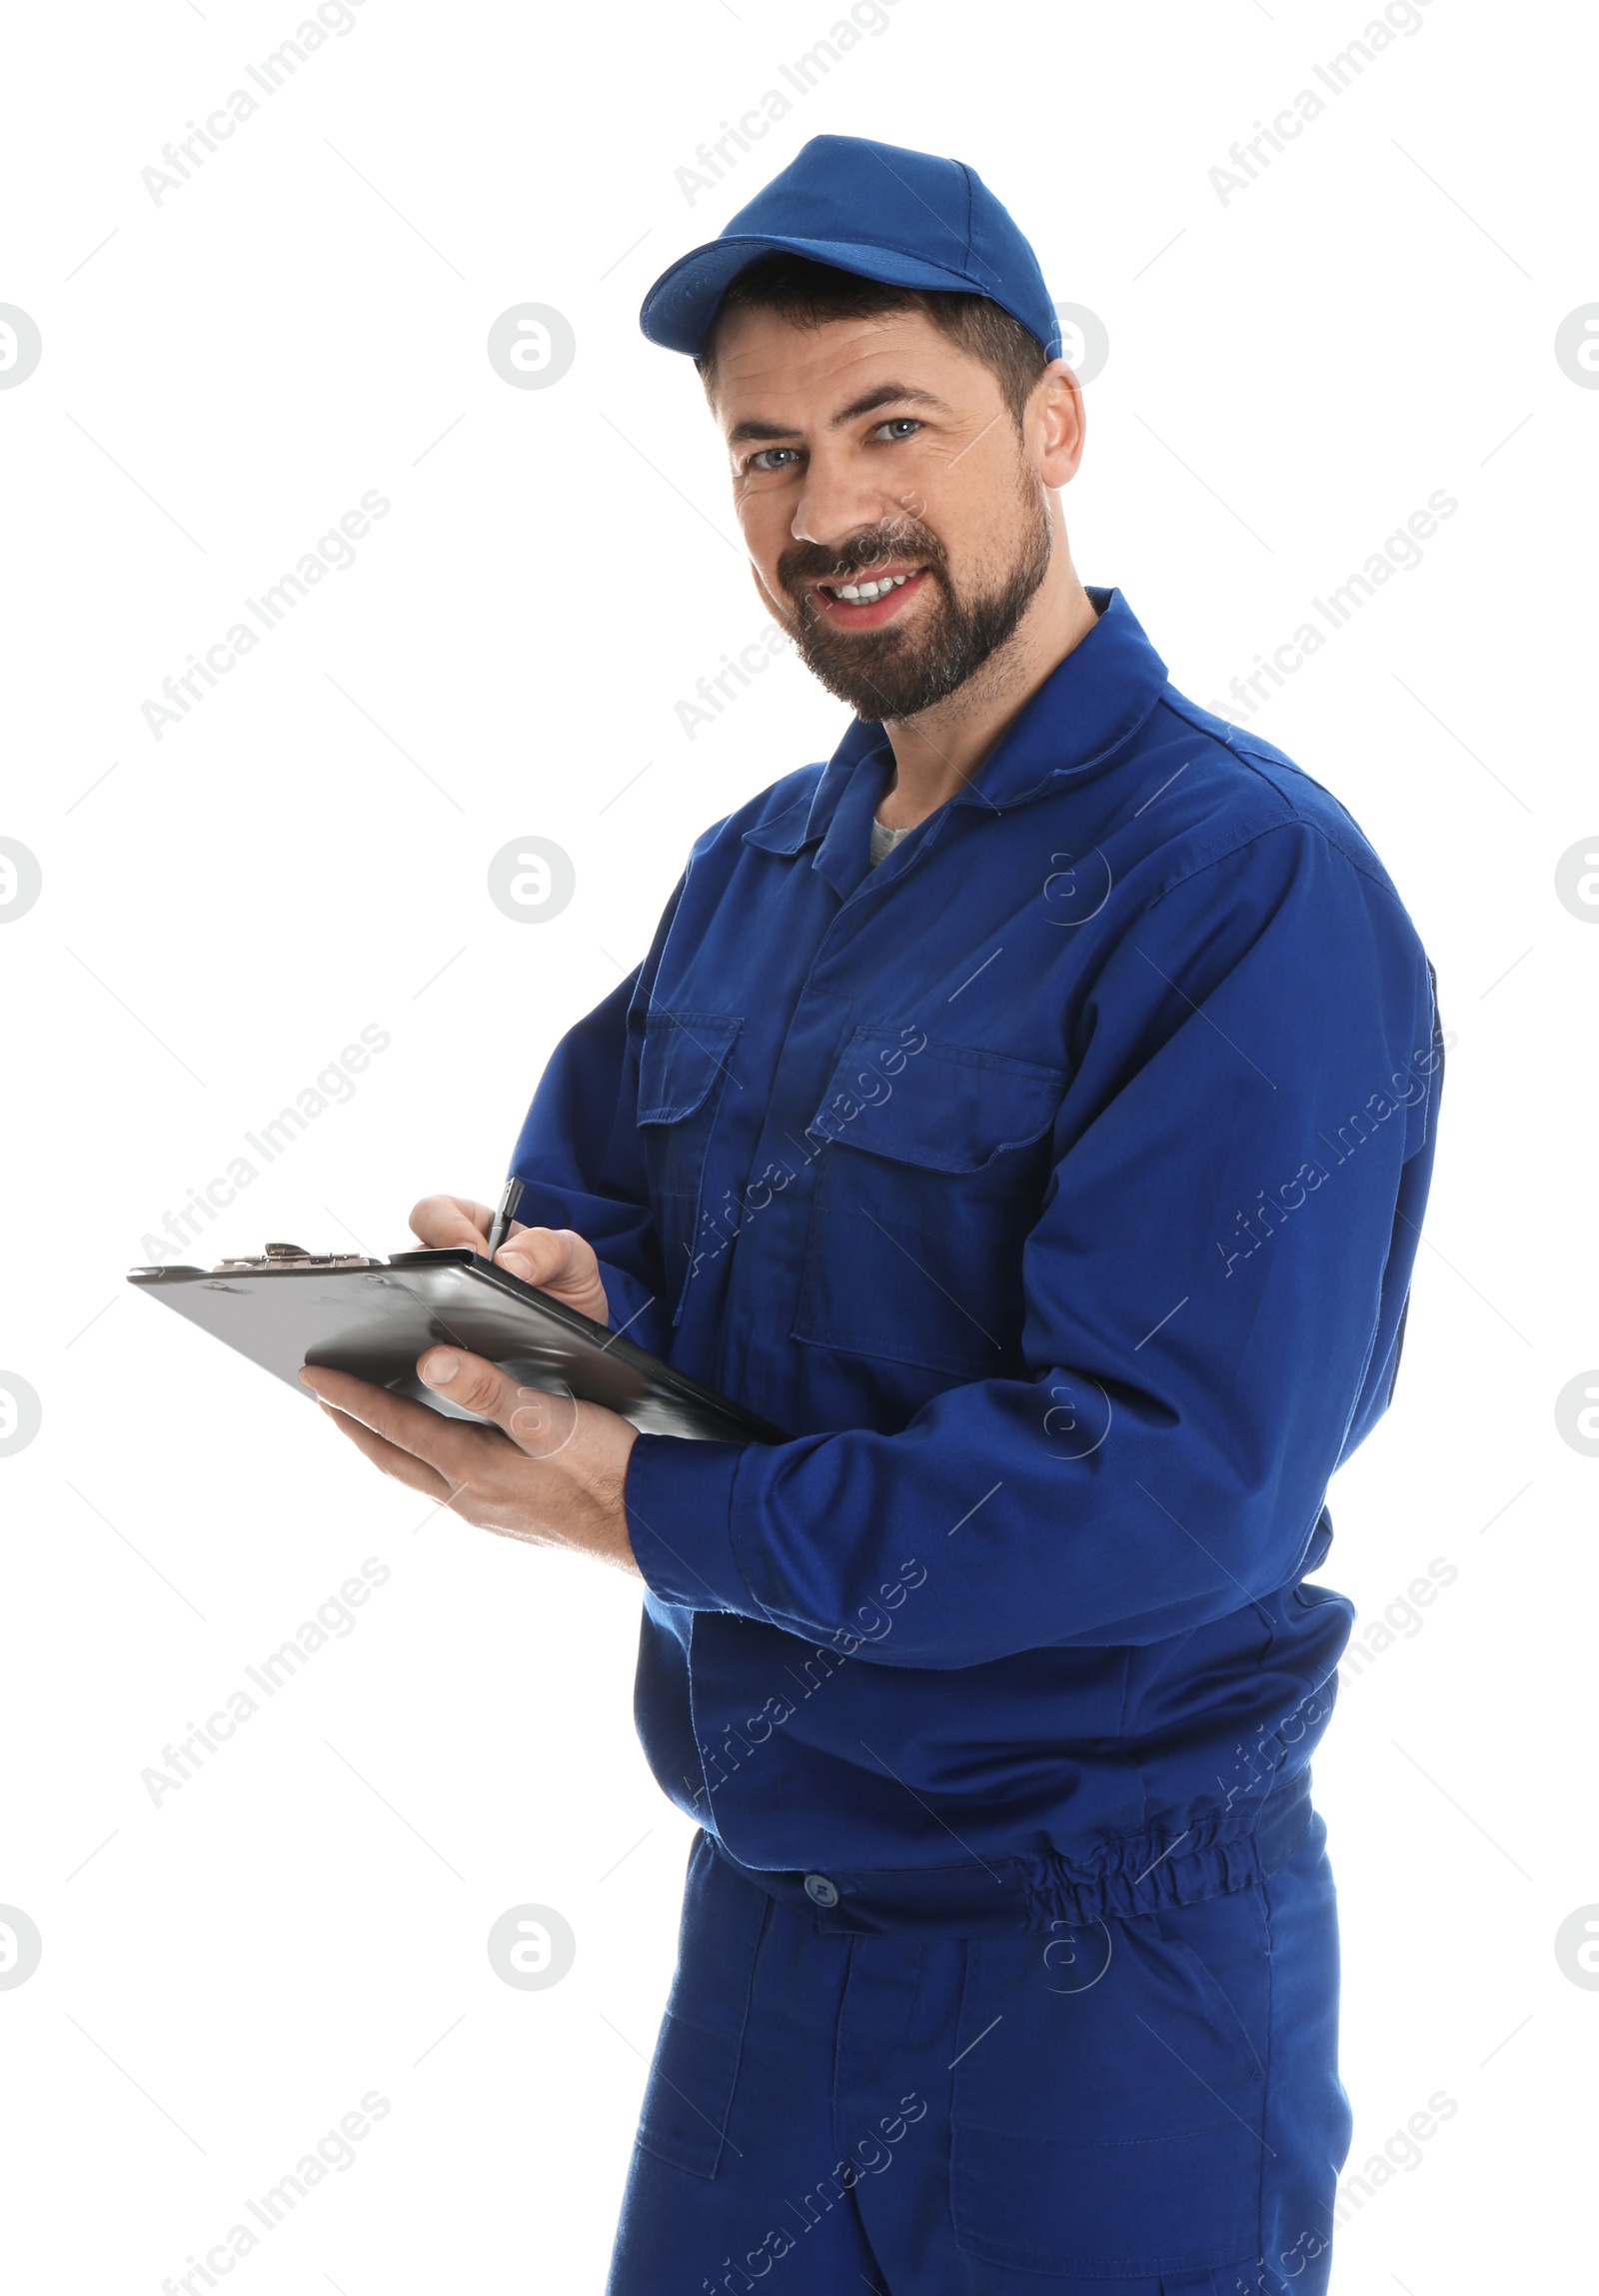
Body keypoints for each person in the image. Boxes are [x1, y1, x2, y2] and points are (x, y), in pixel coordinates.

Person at [300, 133, 1443, 2296]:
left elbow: (1167, 1482)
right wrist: (547, 1308)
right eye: (762, 453)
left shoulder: (1240, 889)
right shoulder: (753, 871)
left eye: (888, 425)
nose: (825, 513)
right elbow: (612, 1204)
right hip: (767, 1943)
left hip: (1104, 1978)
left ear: (1052, 424)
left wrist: (645, 1515)